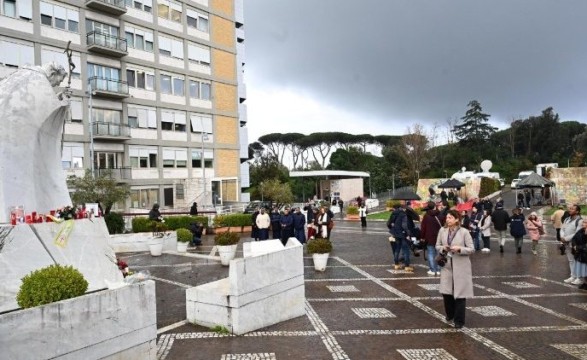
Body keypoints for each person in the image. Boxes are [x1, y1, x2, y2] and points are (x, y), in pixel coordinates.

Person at [436, 209, 474, 329]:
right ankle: (450, 314)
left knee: (460, 294)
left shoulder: (464, 232)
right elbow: (437, 245)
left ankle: (459, 321)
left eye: (450, 218)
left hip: (461, 266)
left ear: (457, 219)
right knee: (446, 293)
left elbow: (471, 249)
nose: (447, 220)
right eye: (447, 218)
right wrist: (443, 248)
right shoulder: (442, 230)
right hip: (447, 266)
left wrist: (459, 249)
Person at [560, 204, 583, 284]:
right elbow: (562, 229)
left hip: (575, 244)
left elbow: (577, 233)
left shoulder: (579, 221)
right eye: (570, 208)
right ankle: (573, 276)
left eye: (572, 209)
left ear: (577, 211)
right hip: (567, 243)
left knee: (578, 260)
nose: (570, 210)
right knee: (571, 260)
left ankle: (579, 278)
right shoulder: (566, 219)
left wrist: (566, 238)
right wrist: (562, 237)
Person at [420, 201, 444, 276]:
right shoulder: (440, 214)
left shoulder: (426, 216)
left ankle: (433, 270)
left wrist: (422, 237)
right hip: (440, 237)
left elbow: (423, 228)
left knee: (430, 253)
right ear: (435, 206)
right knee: (439, 253)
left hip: (429, 237)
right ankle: (439, 269)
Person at [389, 205, 413, 272]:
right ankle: (407, 266)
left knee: (397, 249)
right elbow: (404, 226)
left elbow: (390, 223)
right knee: (406, 250)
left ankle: (396, 264)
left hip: (396, 233)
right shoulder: (404, 215)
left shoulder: (395, 213)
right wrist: (408, 233)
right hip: (403, 234)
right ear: (404, 209)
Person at [570, 218, 587, 290]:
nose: (583, 223)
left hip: (585, 254)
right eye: (583, 222)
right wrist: (574, 245)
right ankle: (585, 282)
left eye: (585, 222)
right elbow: (574, 238)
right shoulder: (580, 230)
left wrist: (578, 247)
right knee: (583, 270)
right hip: (581, 254)